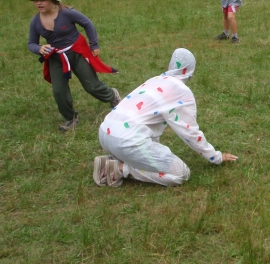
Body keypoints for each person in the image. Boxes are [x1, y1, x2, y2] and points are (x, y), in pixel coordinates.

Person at [93, 48, 238, 187]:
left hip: (105, 132)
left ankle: (111, 161)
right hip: (127, 140)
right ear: (190, 72)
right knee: (181, 173)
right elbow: (190, 132)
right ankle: (119, 168)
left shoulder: (155, 80)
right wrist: (216, 157)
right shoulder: (181, 91)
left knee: (143, 151)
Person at [27, 0, 120, 132]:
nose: (39, 3)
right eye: (36, 0)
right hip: (56, 58)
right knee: (59, 91)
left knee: (92, 86)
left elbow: (87, 24)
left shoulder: (67, 13)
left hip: (77, 53)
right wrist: (39, 49)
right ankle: (70, 118)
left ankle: (112, 96)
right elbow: (31, 43)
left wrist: (94, 44)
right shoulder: (35, 22)